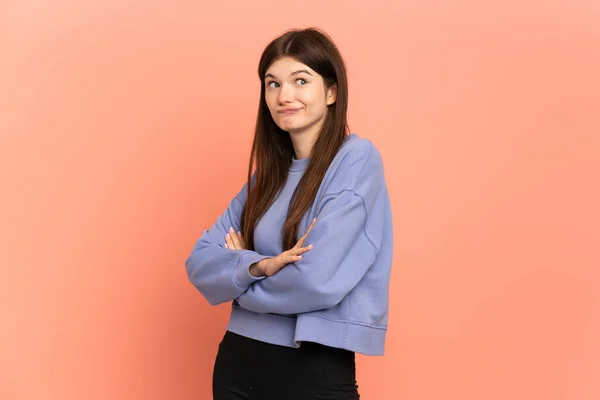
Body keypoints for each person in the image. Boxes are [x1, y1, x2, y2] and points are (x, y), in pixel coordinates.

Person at [185, 27, 393, 400]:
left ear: (331, 92)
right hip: (238, 362)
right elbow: (199, 262)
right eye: (273, 84)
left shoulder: (356, 161)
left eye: (301, 80)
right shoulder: (267, 178)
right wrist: (260, 266)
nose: (285, 96)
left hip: (310, 367)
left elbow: (316, 281)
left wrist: (239, 288)